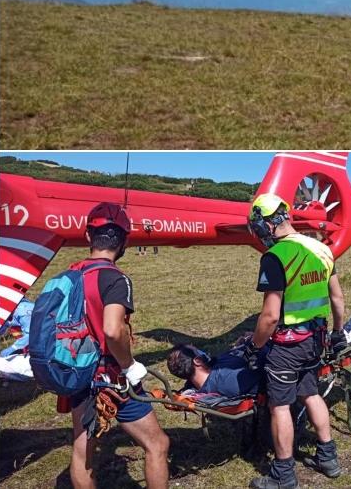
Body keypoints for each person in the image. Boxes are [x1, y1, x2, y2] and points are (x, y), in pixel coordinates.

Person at [64, 203, 171, 489]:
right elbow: (113, 330)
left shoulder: (69, 275)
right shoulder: (115, 278)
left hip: (75, 373)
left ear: (88, 236)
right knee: (157, 443)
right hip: (110, 379)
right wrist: (129, 365)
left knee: (81, 448)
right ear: (125, 240)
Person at [245, 194, 346, 489]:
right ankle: (328, 457)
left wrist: (255, 345)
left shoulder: (275, 256)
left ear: (265, 224)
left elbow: (270, 316)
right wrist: (337, 334)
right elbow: (337, 298)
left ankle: (283, 474)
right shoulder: (321, 248)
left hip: (287, 345)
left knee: (280, 406)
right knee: (311, 393)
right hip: (316, 339)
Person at [166, 342, 262, 398]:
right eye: (196, 350)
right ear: (198, 361)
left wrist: (244, 343)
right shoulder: (225, 381)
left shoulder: (213, 367)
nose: (201, 351)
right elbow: (264, 371)